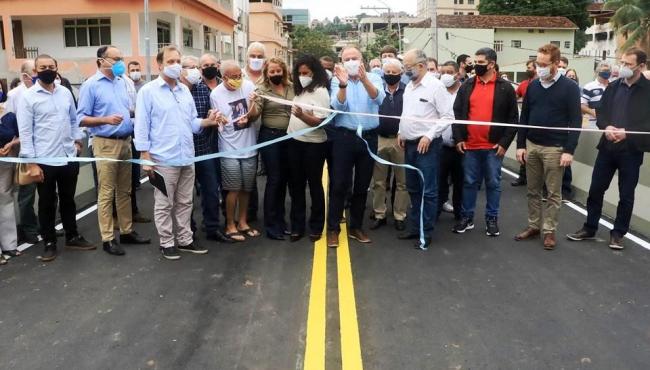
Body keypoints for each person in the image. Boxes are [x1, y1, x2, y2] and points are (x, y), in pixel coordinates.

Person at [134, 45, 223, 260]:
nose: (175, 66)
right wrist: (145, 158)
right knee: (165, 203)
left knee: (185, 202)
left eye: (178, 62)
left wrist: (209, 121)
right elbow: (141, 126)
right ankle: (166, 242)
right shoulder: (148, 91)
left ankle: (185, 239)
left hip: (187, 156)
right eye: (171, 62)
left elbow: (192, 122)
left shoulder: (184, 91)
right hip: (163, 159)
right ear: (159, 65)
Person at [567, 47, 650, 250]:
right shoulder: (613, 87)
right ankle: (589, 227)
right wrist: (607, 127)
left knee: (626, 195)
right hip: (607, 147)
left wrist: (627, 131)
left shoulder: (648, 90)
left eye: (628, 64)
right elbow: (601, 112)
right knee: (596, 189)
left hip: (631, 150)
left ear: (641, 66)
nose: (623, 67)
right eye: (622, 62)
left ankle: (618, 233)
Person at [17, 54, 96, 262]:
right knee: (47, 202)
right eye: (43, 67)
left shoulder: (65, 93)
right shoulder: (28, 97)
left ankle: (72, 235)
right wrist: (32, 163)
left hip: (68, 156)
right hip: (45, 159)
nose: (48, 70)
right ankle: (49, 242)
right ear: (35, 71)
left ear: (57, 67)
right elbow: (25, 133)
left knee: (69, 199)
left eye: (51, 66)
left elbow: (73, 119)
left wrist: (78, 141)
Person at [77, 45, 151, 256]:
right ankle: (108, 238)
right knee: (106, 192)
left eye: (121, 58)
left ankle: (126, 231)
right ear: (101, 60)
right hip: (105, 142)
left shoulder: (122, 83)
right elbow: (80, 117)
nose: (120, 62)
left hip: (126, 141)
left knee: (125, 190)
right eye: (115, 58)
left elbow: (127, 108)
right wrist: (105, 119)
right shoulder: (90, 85)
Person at [515, 44, 582, 251]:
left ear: (555, 63)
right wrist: (520, 145)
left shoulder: (569, 88)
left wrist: (569, 150)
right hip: (532, 145)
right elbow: (524, 116)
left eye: (544, 64)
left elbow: (576, 120)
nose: (539, 67)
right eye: (537, 63)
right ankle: (534, 225)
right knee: (532, 190)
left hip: (555, 148)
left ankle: (549, 230)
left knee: (553, 193)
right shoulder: (533, 85)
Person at [452, 48, 519, 237]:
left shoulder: (505, 88)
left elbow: (513, 119)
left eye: (480, 62)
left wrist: (504, 143)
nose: (476, 66)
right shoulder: (467, 86)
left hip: (493, 147)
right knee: (469, 182)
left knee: (493, 184)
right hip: (470, 145)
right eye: (475, 62)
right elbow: (457, 114)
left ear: (491, 64)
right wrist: (459, 138)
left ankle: (492, 218)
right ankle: (467, 217)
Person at [327, 46, 385, 248]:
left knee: (362, 185)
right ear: (342, 62)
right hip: (344, 137)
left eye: (355, 58)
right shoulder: (337, 79)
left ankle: (356, 227)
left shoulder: (374, 77)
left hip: (368, 138)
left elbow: (379, 98)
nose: (351, 62)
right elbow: (338, 106)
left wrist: (364, 80)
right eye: (347, 59)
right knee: (339, 184)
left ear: (362, 60)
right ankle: (333, 228)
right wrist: (343, 85)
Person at [397, 49, 454, 249]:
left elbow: (448, 116)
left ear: (420, 66)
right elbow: (406, 113)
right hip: (409, 144)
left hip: (427, 146)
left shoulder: (435, 86)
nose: (404, 71)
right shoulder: (409, 87)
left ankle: (426, 232)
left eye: (407, 67)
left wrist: (429, 135)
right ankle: (415, 228)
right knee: (413, 187)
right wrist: (400, 131)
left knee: (428, 190)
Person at [211, 60, 260, 242]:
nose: (238, 79)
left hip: (249, 146)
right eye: (234, 77)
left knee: (247, 188)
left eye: (240, 75)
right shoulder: (216, 94)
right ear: (224, 77)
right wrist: (221, 119)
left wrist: (251, 108)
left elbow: (255, 114)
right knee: (233, 189)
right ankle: (230, 224)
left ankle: (243, 222)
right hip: (229, 148)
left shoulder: (248, 86)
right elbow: (218, 118)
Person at [248, 57, 294, 240]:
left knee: (284, 180)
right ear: (267, 74)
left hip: (289, 137)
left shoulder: (291, 88)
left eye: (278, 71)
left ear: (283, 71)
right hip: (270, 137)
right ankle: (271, 224)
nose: (275, 74)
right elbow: (253, 115)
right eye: (272, 72)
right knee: (274, 179)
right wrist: (252, 103)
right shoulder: (261, 90)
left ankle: (281, 221)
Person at [286, 55, 331, 242]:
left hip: (314, 145)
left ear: (315, 73)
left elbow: (320, 122)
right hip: (294, 142)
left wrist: (302, 116)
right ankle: (297, 225)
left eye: (306, 73)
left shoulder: (321, 92)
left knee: (314, 186)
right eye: (300, 73)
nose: (303, 76)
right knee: (295, 186)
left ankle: (316, 225)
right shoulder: (299, 90)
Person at [190, 53, 231, 243]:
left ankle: (220, 224)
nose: (208, 67)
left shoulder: (227, 85)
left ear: (218, 65)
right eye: (204, 65)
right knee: (199, 190)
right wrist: (208, 119)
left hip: (222, 144)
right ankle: (199, 227)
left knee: (220, 188)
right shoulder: (193, 89)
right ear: (200, 69)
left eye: (211, 64)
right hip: (198, 146)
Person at [370, 58, 408, 231]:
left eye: (395, 72)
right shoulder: (376, 92)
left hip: (401, 140)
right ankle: (379, 213)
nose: (391, 75)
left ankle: (400, 215)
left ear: (401, 74)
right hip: (380, 139)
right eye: (388, 72)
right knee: (378, 181)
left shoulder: (408, 92)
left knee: (402, 182)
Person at [7, 60, 41, 244]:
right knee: (27, 192)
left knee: (49, 192)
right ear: (25, 75)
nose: (38, 74)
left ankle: (45, 225)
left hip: (46, 148)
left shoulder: (48, 90)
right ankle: (29, 229)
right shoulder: (15, 95)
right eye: (35, 71)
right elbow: (10, 124)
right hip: (24, 150)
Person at [437, 61, 463, 221]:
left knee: (460, 181)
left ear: (457, 74)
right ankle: (437, 211)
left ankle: (460, 214)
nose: (446, 75)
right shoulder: (438, 92)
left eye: (449, 71)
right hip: (442, 145)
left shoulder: (465, 91)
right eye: (443, 72)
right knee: (440, 180)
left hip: (461, 146)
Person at [0, 105, 21, 263]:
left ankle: (10, 244)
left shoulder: (9, 115)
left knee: (6, 200)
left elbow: (21, 134)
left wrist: (12, 144)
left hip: (6, 163)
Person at [512, 59, 537, 187]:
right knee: (522, 148)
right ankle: (522, 177)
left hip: (538, 123)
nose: (528, 70)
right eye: (527, 67)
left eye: (530, 67)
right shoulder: (523, 84)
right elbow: (514, 98)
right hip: (525, 120)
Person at [581, 61, 611, 129]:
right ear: (598, 72)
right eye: (604, 70)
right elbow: (582, 105)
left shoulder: (613, 86)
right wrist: (593, 113)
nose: (606, 72)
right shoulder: (589, 86)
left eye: (608, 70)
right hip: (593, 125)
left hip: (609, 125)